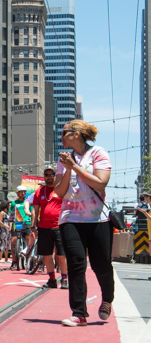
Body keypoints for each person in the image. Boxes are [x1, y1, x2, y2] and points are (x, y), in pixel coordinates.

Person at [53, 120, 113, 327]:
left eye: (64, 133)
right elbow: (59, 192)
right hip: (70, 218)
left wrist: (75, 166)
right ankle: (79, 313)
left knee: (101, 265)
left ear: (76, 134)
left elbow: (101, 182)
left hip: (97, 219)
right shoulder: (63, 160)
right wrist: (68, 169)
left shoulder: (98, 153)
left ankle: (107, 299)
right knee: (76, 264)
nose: (61, 137)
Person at [32, 166, 69, 290]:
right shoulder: (39, 192)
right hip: (43, 227)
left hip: (59, 226)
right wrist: (33, 226)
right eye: (47, 175)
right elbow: (35, 210)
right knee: (47, 255)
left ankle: (64, 279)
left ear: (55, 176)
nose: (49, 177)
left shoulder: (61, 190)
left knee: (62, 255)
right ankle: (52, 279)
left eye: (52, 174)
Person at [10, 185, 32, 270]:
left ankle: (30, 259)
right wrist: (10, 226)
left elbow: (32, 212)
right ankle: (14, 261)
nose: (23, 193)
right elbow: (11, 215)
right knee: (13, 242)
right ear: (17, 193)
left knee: (28, 239)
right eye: (21, 192)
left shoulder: (28, 202)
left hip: (27, 222)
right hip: (17, 223)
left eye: (24, 192)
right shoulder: (14, 203)